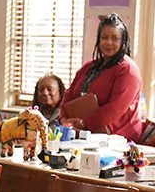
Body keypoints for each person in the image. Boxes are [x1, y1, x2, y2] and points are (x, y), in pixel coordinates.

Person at [60, 13, 143, 141]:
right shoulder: (89, 66)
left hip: (118, 139)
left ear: (123, 42)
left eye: (115, 38)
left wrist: (84, 123)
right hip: (82, 133)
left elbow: (114, 108)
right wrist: (64, 119)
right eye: (104, 37)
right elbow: (69, 94)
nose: (109, 42)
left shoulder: (128, 70)